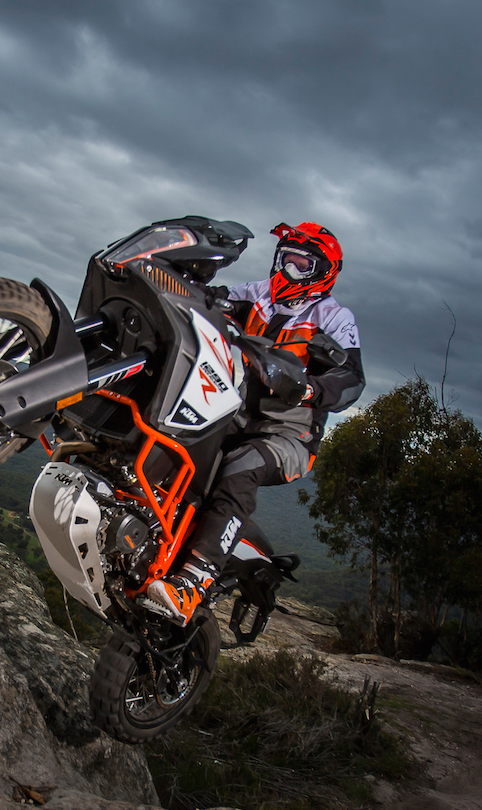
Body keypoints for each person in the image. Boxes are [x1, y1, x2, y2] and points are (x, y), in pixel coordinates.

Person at [146, 221, 366, 623]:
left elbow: (351, 379)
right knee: (176, 439)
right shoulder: (256, 294)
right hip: (233, 412)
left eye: (302, 264)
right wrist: (182, 279)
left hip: (291, 434)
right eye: (286, 259)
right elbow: (210, 299)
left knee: (240, 466)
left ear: (323, 271)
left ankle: (194, 580)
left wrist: (309, 388)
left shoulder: (334, 317)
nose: (289, 270)